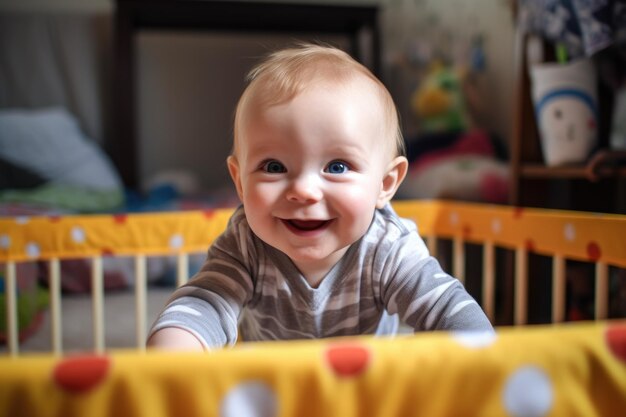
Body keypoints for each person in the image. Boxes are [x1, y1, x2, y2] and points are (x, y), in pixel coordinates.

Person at [147, 43, 493, 351]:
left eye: (338, 166)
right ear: (240, 181)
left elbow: (444, 305)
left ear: (385, 184)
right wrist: (177, 347)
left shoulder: (388, 247)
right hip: (271, 391)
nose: (303, 190)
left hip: (363, 394)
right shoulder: (246, 244)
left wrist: (479, 355)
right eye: (273, 166)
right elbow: (208, 300)